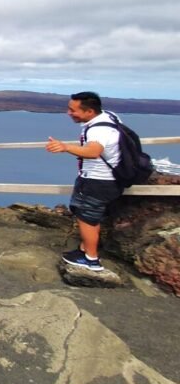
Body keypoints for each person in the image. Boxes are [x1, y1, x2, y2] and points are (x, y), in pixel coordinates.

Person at [46, 91, 123, 272]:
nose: (69, 113)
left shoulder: (98, 129)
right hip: (109, 179)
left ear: (89, 112)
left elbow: (93, 151)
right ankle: (84, 249)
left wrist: (65, 147)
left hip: (98, 181)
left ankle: (91, 259)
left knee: (86, 218)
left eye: (73, 110)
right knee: (92, 216)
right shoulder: (109, 117)